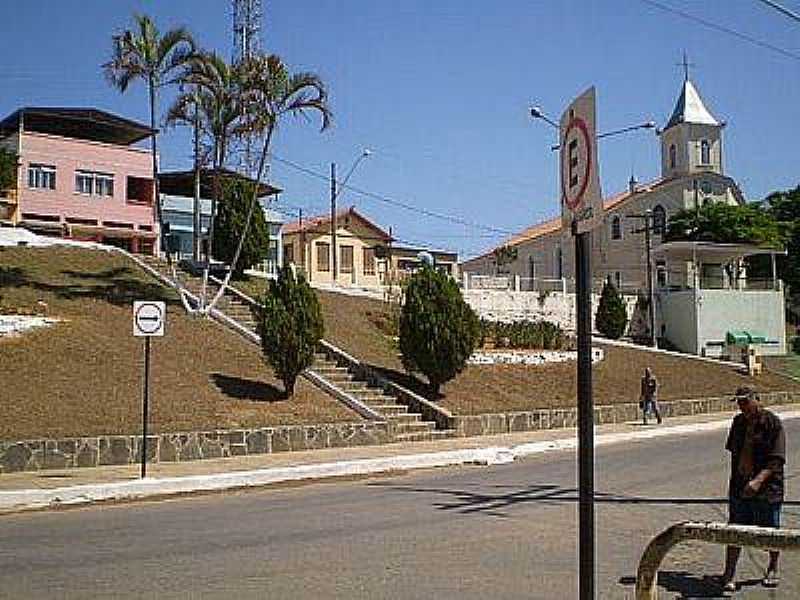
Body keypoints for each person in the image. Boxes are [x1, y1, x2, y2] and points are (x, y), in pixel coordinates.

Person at [718, 386, 786, 594]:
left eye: (745, 402)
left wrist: (757, 481)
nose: (742, 406)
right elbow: (734, 453)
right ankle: (729, 573)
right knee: (735, 530)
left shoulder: (772, 423)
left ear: (757, 399)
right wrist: (738, 481)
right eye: (739, 403)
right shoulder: (738, 423)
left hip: (767, 489)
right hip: (740, 487)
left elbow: (777, 459)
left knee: (770, 531)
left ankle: (773, 567)